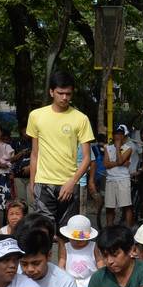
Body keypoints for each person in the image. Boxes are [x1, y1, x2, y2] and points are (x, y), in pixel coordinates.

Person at [27, 70, 94, 227]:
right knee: (43, 234)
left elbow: (86, 158)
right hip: (43, 183)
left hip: (69, 184)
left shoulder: (81, 118)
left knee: (67, 235)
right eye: (60, 93)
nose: (65, 97)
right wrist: (33, 182)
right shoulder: (36, 116)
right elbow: (35, 153)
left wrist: (73, 181)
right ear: (51, 92)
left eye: (68, 94)